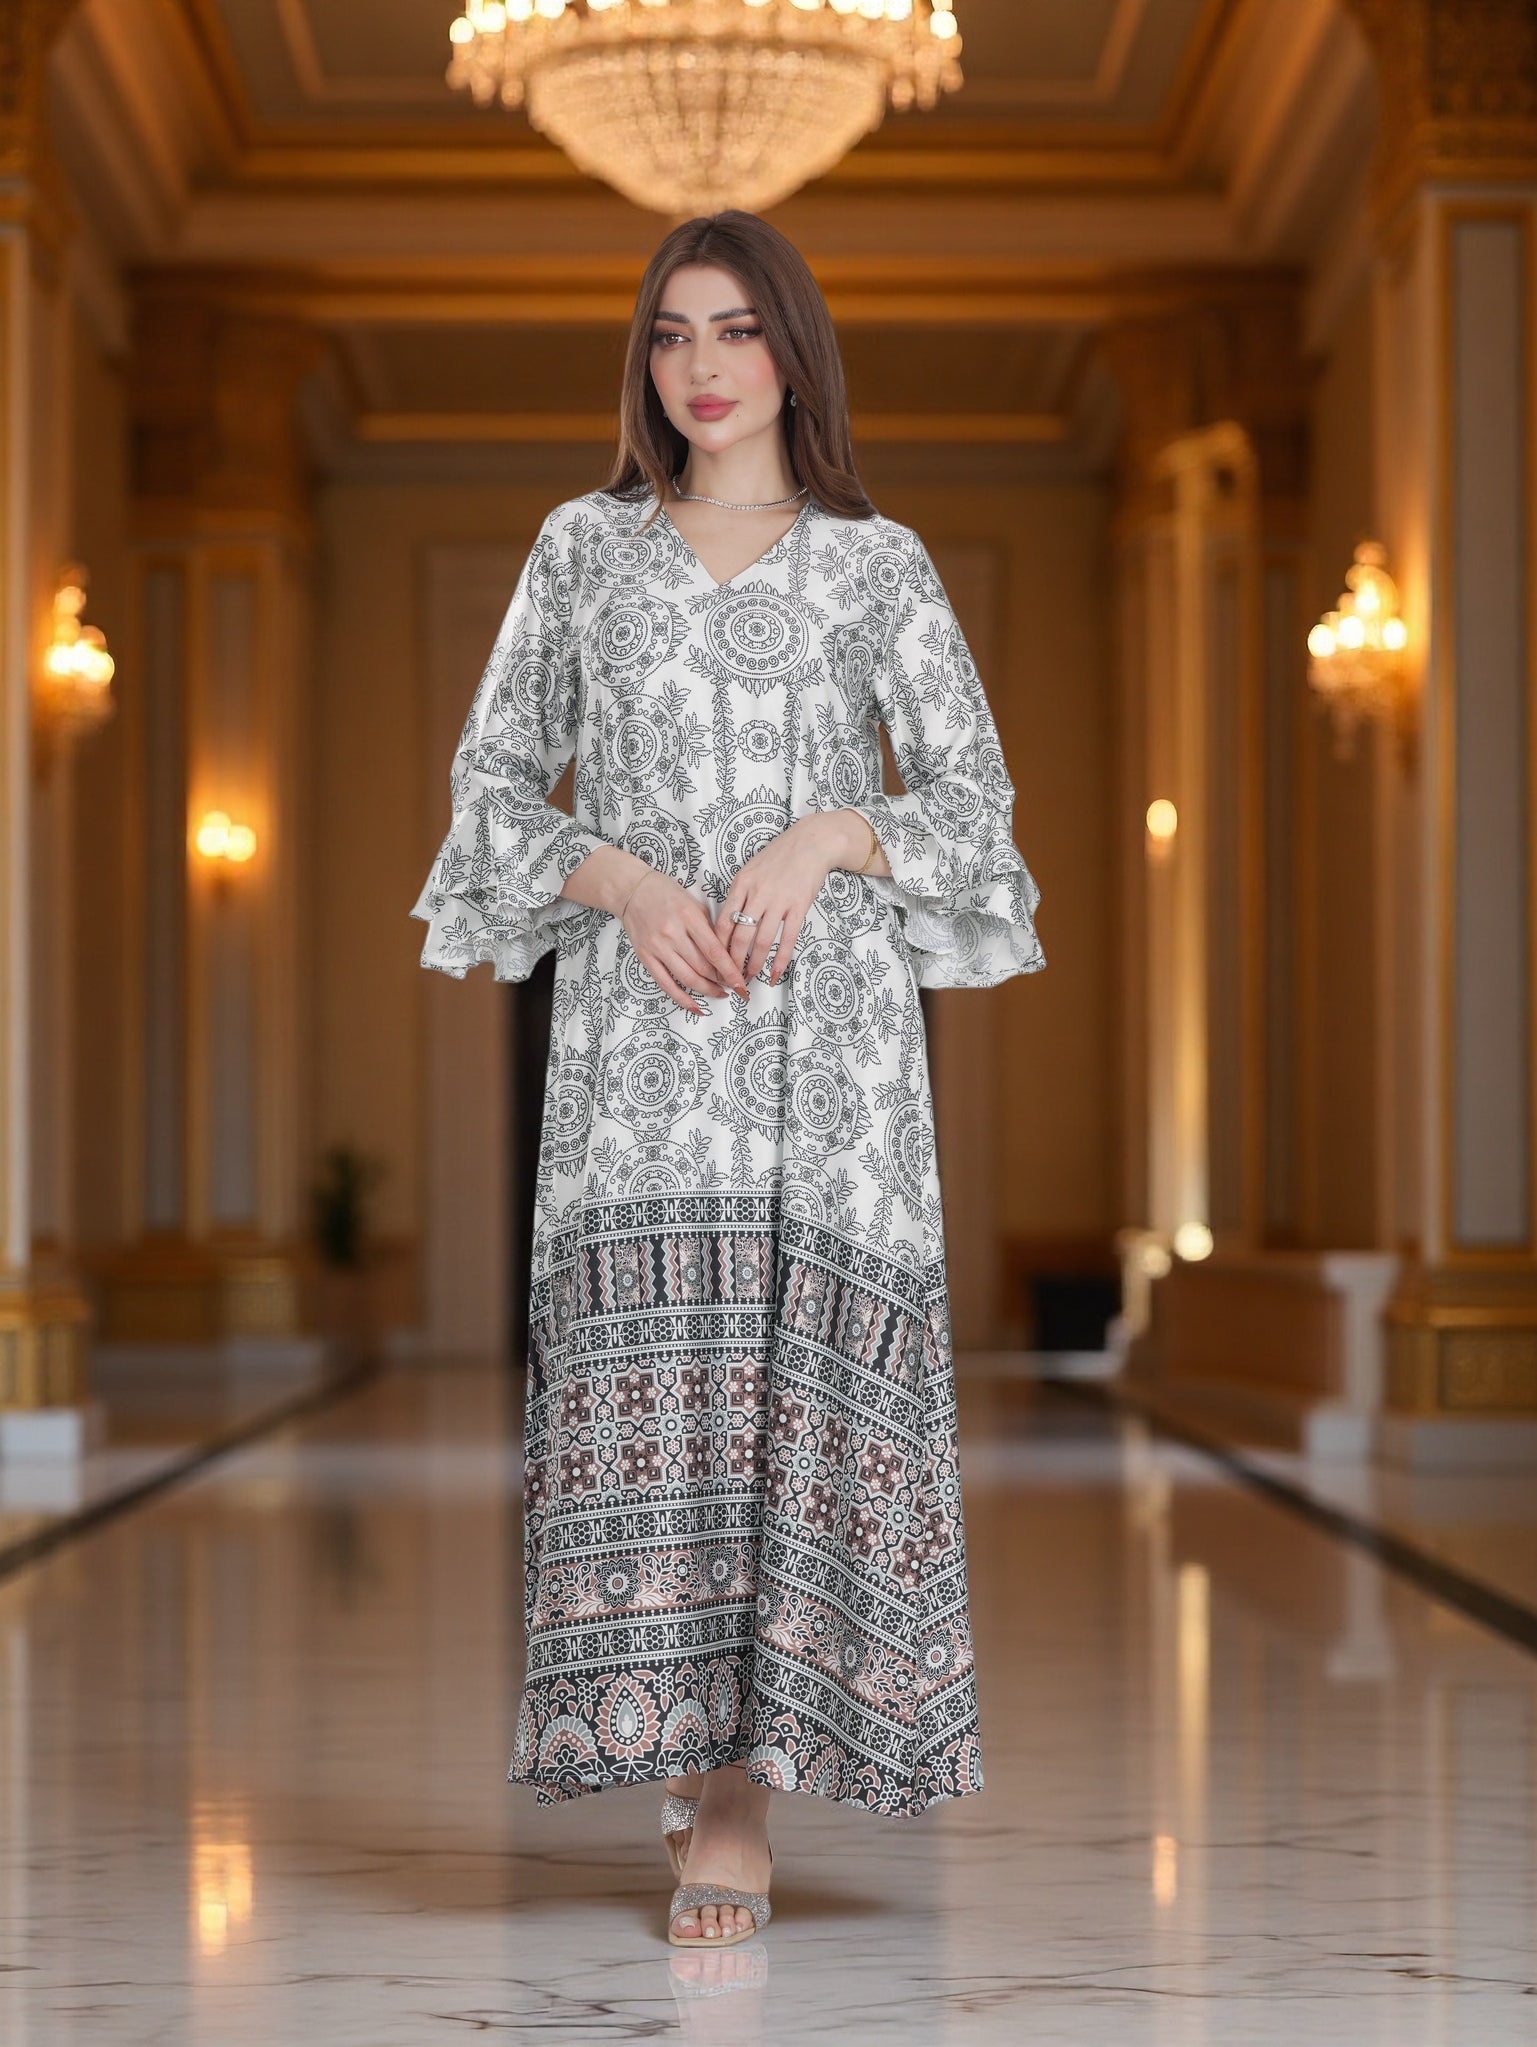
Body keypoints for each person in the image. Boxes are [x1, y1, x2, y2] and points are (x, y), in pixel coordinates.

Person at [411, 208, 1046, 1948]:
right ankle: (688, 1758)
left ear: (793, 354)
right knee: (664, 1383)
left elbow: (976, 810)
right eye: (672, 332)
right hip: (640, 1044)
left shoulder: (878, 568)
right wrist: (619, 880)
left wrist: (830, 834)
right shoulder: (581, 552)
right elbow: (489, 795)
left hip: (825, 1056)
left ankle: (743, 1803)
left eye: (737, 330)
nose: (701, 367)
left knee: (790, 1389)